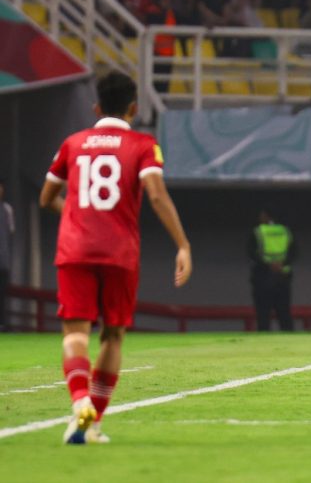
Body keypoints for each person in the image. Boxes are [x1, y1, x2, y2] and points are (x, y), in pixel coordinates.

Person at [39, 71, 192, 444]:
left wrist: (77, 216)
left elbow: (46, 198)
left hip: (75, 250)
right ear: (134, 108)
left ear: (96, 107)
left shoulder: (72, 143)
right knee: (113, 335)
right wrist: (183, 245)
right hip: (119, 252)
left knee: (75, 333)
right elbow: (156, 195)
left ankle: (79, 403)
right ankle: (93, 423)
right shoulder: (142, 144)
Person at [248, 210, 295, 331]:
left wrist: (268, 264)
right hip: (283, 276)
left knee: (263, 314)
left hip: (263, 277)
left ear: (265, 216)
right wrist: (282, 264)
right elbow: (295, 252)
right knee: (284, 313)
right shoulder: (286, 231)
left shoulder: (258, 232)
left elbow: (251, 253)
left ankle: (263, 343)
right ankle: (290, 342)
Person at [0, 180, 13, 332]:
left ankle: (2, 323)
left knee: (2, 292)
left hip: (3, 260)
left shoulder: (7, 209)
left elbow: (10, 232)